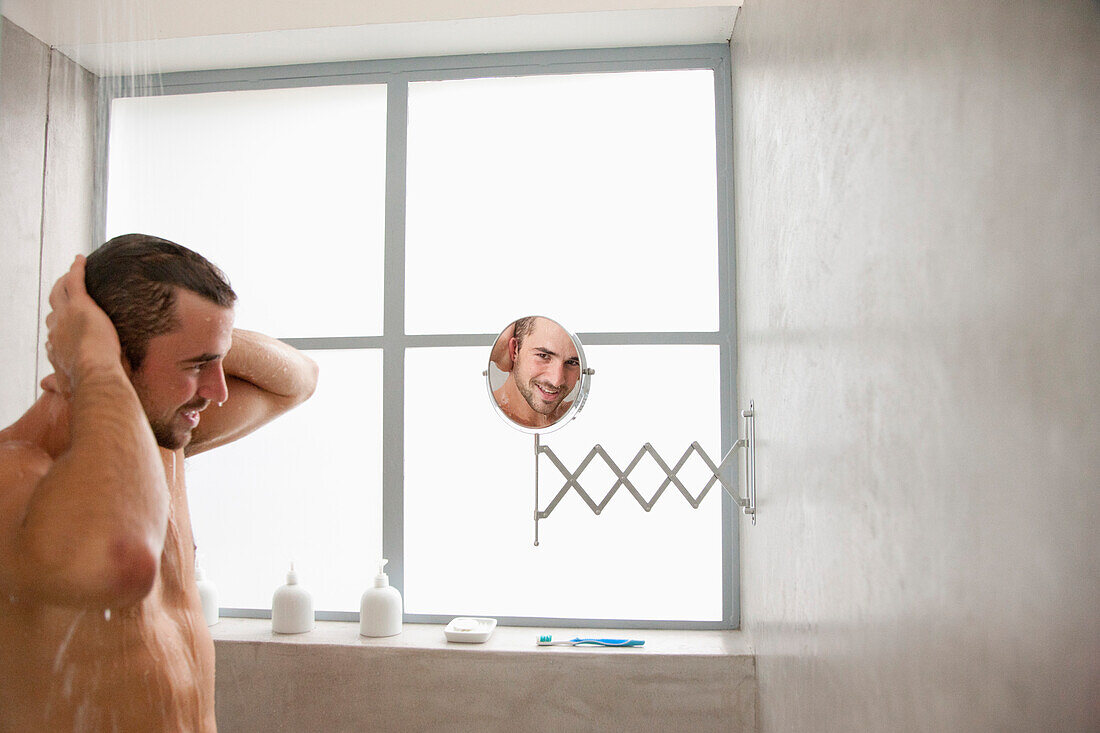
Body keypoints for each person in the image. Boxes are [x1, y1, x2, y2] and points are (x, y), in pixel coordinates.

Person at [0, 234, 318, 732]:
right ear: (112, 356)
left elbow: (299, 379)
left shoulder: (161, 444)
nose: (218, 391)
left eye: (219, 360)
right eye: (196, 367)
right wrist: (93, 359)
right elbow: (120, 558)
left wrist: (211, 342)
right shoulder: (14, 474)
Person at [491, 316, 580, 429]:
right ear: (514, 350)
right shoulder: (482, 415)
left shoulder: (580, 420)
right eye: (543, 356)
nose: (556, 381)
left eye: (572, 362)